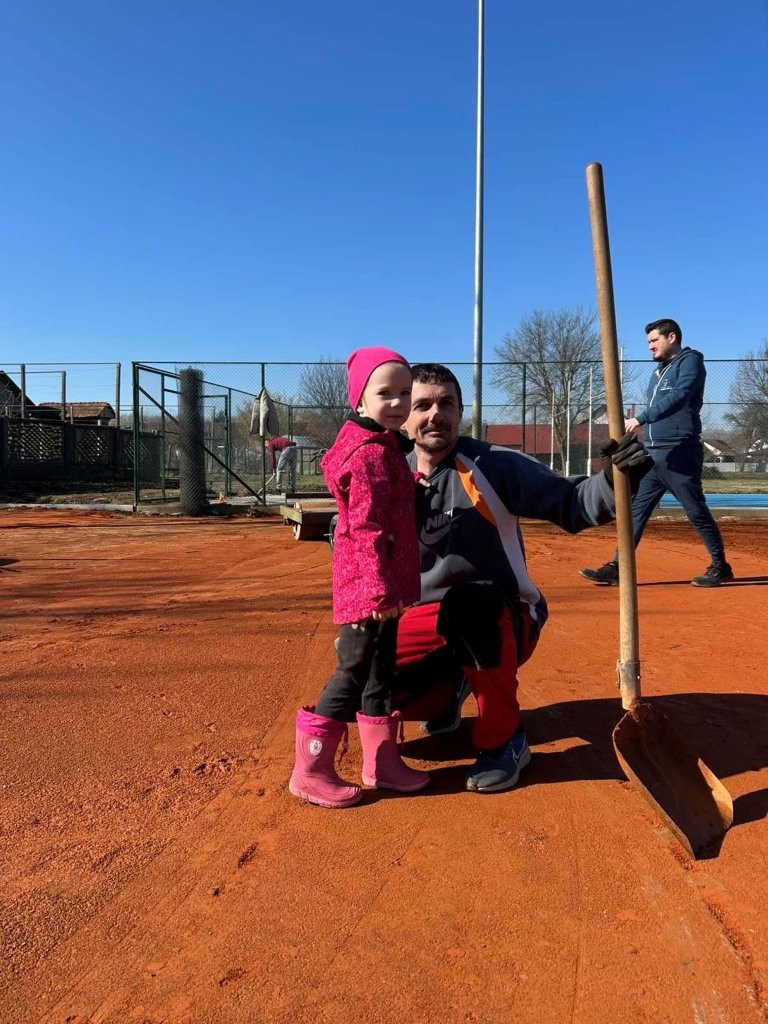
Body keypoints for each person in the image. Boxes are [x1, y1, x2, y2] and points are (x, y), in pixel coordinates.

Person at [386, 362, 651, 794]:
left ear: (461, 412)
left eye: (446, 404)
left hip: (502, 618)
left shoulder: (493, 465)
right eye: (423, 405)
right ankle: (449, 688)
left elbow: (572, 503)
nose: (435, 415)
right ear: (405, 416)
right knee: (358, 664)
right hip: (426, 623)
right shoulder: (387, 474)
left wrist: (615, 480)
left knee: (469, 606)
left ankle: (504, 740)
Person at [289, 346, 430, 808]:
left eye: (405, 393)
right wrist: (378, 589)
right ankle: (309, 771)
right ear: (360, 402)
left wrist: (410, 487)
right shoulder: (370, 455)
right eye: (385, 393)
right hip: (370, 587)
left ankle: (380, 765)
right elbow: (364, 525)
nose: (398, 402)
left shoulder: (385, 450)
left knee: (380, 673)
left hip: (382, 584)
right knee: (352, 672)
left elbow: (384, 501)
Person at [579, 318, 734, 588]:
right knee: (635, 512)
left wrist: (641, 418)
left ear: (671, 337)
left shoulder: (690, 362)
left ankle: (720, 566)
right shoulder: (658, 372)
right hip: (653, 455)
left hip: (680, 454)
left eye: (654, 341)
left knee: (695, 511)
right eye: (648, 342)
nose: (650, 347)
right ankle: (619, 566)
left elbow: (680, 396)